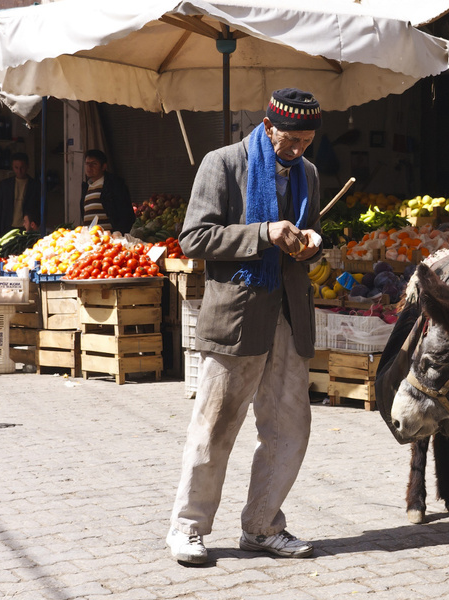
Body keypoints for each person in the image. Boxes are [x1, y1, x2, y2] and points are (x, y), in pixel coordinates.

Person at [166, 88, 324, 565]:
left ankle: (262, 526)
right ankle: (187, 528)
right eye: (289, 140)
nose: (296, 150)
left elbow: (310, 229)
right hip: (238, 316)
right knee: (215, 427)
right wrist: (263, 233)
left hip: (289, 315)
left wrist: (313, 240)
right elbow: (194, 237)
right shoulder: (222, 163)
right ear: (267, 126)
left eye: (306, 141)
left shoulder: (309, 174)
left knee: (289, 428)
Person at [80, 149, 134, 233]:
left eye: (94, 164)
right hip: (92, 241)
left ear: (104, 166)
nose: (89, 167)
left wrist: (119, 234)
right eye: (87, 163)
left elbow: (126, 214)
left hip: (110, 240)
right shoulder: (86, 187)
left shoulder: (114, 185)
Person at [0, 152, 40, 236]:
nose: (19, 171)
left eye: (22, 167)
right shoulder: (5, 184)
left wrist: (36, 225)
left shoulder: (35, 185)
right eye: (16, 167)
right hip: (8, 227)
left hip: (27, 228)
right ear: (12, 167)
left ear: (27, 166)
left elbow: (39, 207)